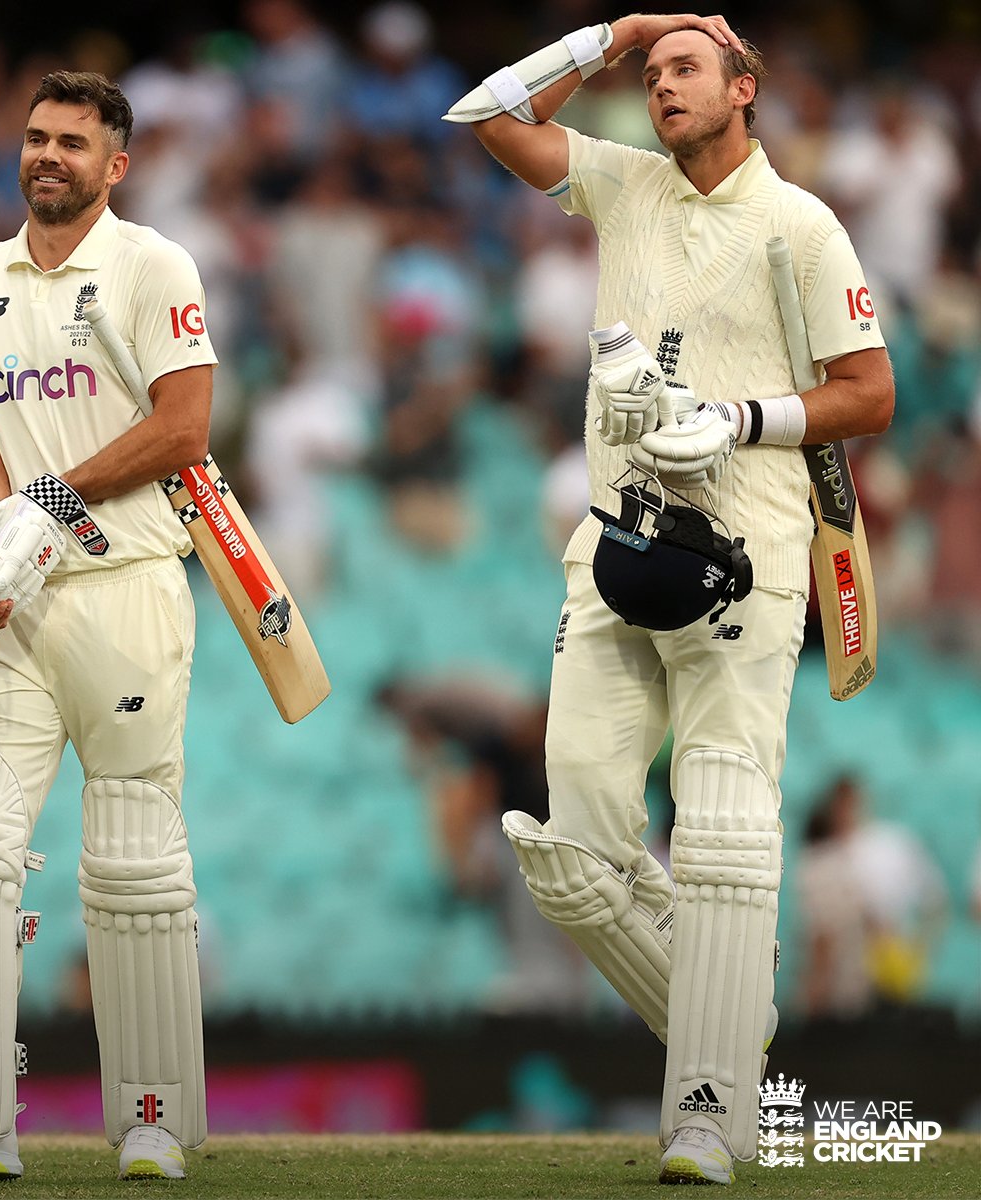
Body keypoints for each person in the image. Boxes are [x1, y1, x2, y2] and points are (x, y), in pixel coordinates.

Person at [444, 12, 894, 1186]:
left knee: (727, 831)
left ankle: (705, 1113)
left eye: (686, 66)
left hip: (748, 549)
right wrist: (612, 31)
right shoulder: (625, 184)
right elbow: (487, 116)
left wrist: (744, 418)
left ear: (745, 88)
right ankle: (727, 1006)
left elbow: (870, 393)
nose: (661, 85)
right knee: (572, 854)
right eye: (652, 75)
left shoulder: (801, 224)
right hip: (614, 542)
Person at [0, 70, 217, 1183]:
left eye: (73, 141)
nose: (47, 155)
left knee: (129, 858)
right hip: (13, 605)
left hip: (128, 593)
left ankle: (155, 1118)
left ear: (116, 164)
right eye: (35, 137)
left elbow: (184, 429)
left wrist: (47, 506)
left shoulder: (152, 264)